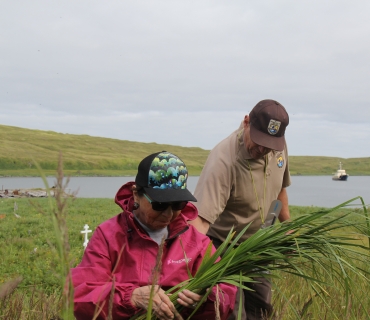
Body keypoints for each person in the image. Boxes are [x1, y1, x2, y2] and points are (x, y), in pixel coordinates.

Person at [72, 151, 236, 320]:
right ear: (136, 194)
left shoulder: (197, 243)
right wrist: (131, 298)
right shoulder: (108, 236)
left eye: (177, 204)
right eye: (160, 204)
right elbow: (81, 296)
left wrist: (207, 300)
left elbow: (225, 291)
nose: (169, 214)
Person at [190, 99, 291, 319]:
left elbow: (280, 189)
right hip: (223, 246)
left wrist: (288, 227)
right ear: (246, 122)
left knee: (262, 307)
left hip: (259, 244)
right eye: (259, 141)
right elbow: (201, 221)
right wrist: (187, 267)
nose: (263, 149)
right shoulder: (223, 161)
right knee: (232, 311)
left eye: (270, 144)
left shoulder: (277, 148)